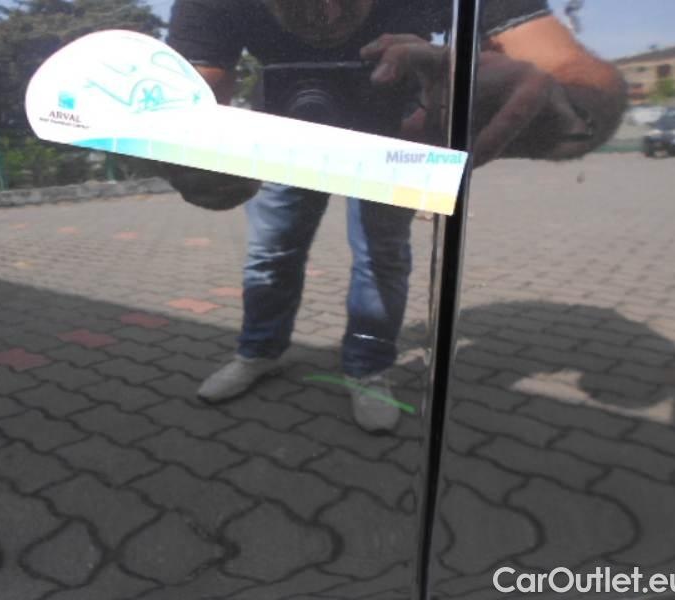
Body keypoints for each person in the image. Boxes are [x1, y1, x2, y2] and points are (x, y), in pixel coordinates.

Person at [166, 0, 626, 432]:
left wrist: (555, 112)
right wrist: (185, 155)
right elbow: (190, 103)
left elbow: (573, 78)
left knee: (382, 256)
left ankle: (368, 368)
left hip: (398, 135)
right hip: (286, 134)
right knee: (272, 253)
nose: (327, 12)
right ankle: (258, 351)